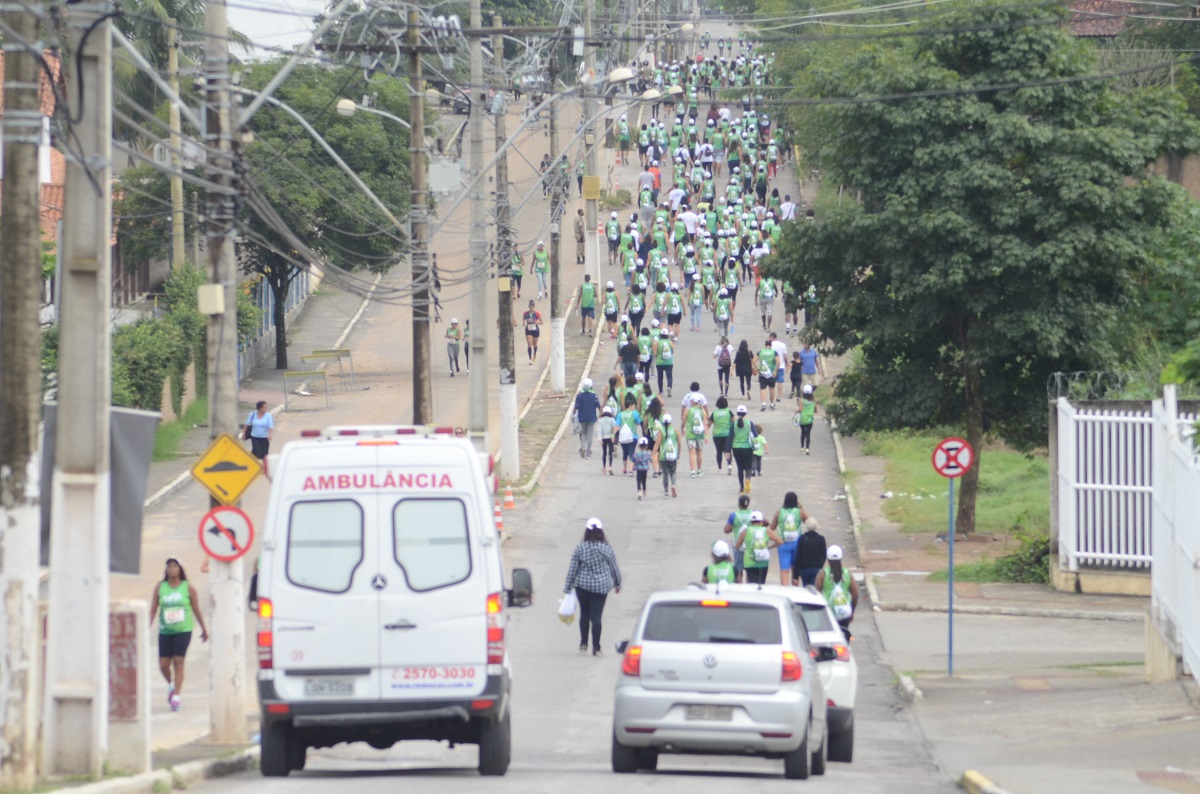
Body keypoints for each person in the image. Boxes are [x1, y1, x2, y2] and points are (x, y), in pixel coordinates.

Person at [150, 558, 208, 712]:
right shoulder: (160, 587)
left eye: (175, 566)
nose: (172, 569)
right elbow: (153, 609)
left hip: (183, 630)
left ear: (180, 569)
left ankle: (176, 695)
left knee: (179, 662)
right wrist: (146, 626)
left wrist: (203, 628)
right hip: (165, 630)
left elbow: (196, 609)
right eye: (169, 566)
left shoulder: (187, 588)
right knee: (163, 664)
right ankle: (170, 684)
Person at [563, 518, 622, 656]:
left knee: (584, 613)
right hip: (601, 588)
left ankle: (584, 643)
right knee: (596, 617)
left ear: (587, 531)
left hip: (582, 586)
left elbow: (573, 569)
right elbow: (614, 568)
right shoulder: (606, 549)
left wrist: (567, 587)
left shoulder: (580, 548)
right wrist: (618, 583)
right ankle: (597, 648)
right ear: (601, 532)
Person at [815, 544, 859, 638]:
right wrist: (852, 610)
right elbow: (855, 595)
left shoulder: (822, 574)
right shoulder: (847, 574)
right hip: (844, 612)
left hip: (828, 612)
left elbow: (816, 594)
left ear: (828, 559)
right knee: (843, 637)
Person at [770, 492, 808, 586]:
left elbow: (772, 527)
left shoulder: (779, 512)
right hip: (797, 544)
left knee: (784, 568)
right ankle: (794, 587)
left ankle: (785, 588)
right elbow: (809, 523)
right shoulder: (799, 512)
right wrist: (802, 507)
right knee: (795, 568)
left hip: (783, 544)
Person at [736, 510, 781, 585]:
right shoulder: (766, 531)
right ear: (762, 521)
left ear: (751, 521)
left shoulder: (745, 531)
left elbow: (737, 546)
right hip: (763, 562)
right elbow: (780, 541)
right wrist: (769, 547)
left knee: (752, 584)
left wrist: (745, 548)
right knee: (761, 584)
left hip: (749, 562)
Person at [722, 494, 753, 583]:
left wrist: (733, 527)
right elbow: (765, 522)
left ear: (739, 504)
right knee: (749, 570)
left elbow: (726, 530)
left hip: (738, 546)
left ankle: (739, 587)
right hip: (750, 545)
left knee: (739, 570)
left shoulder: (733, 515)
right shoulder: (753, 514)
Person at [791, 517, 827, 587]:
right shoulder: (820, 539)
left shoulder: (802, 538)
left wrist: (795, 575)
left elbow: (797, 556)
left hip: (804, 569)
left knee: (806, 587)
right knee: (816, 588)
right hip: (817, 568)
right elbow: (824, 554)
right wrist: (821, 564)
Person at [572, 378, 601, 460]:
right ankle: (588, 452)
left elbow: (575, 407)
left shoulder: (579, 395)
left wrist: (572, 415)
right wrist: (601, 415)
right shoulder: (594, 395)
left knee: (583, 433)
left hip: (582, 417)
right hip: (591, 417)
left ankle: (583, 448)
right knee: (590, 434)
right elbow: (598, 406)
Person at [614, 394, 642, 476]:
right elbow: (638, 422)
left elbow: (617, 425)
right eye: (634, 406)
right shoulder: (634, 414)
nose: (634, 407)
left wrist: (613, 435)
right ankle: (631, 470)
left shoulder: (620, 414)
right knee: (631, 453)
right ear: (630, 406)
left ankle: (625, 468)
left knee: (625, 453)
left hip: (623, 437)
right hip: (633, 436)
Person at [731, 404, 756, 493]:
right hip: (747, 448)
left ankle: (741, 488)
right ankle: (748, 479)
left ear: (737, 413)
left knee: (740, 468)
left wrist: (727, 450)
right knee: (748, 467)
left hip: (736, 448)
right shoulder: (750, 423)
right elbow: (755, 435)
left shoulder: (734, 424)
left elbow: (730, 437)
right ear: (745, 413)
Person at [656, 412, 681, 498]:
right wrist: (678, 453)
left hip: (663, 455)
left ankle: (666, 492)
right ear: (671, 422)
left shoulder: (661, 431)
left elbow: (657, 443)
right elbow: (679, 443)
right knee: (673, 472)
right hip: (672, 455)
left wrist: (653, 453)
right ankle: (673, 485)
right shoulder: (675, 430)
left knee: (665, 474)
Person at [683, 397, 707, 478]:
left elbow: (684, 421)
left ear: (693, 402)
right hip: (700, 434)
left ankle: (692, 471)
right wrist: (706, 435)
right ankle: (699, 470)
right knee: (699, 452)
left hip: (690, 434)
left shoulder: (688, 410)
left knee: (692, 453)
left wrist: (682, 428)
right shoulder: (702, 411)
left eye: (691, 400)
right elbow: (705, 424)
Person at [709, 395, 733, 474]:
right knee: (727, 450)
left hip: (717, 435)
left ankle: (719, 468)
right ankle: (729, 464)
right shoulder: (729, 412)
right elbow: (733, 422)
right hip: (727, 434)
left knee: (719, 451)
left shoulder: (714, 413)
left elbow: (709, 424)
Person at [754, 338, 778, 410]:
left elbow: (753, 360)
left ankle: (763, 403)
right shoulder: (774, 352)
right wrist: (775, 371)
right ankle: (772, 403)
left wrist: (757, 369)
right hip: (771, 373)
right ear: (771, 345)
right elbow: (778, 362)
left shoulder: (761, 352)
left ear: (765, 345)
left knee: (763, 388)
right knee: (772, 388)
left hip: (763, 372)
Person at [796, 383, 817, 454]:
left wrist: (797, 411)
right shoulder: (813, 401)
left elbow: (801, 409)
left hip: (802, 420)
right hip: (810, 420)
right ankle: (807, 449)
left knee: (803, 433)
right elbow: (816, 410)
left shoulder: (802, 400)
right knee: (808, 434)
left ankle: (802, 447)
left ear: (803, 392)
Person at [653, 328, 675, 396]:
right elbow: (672, 351)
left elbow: (655, 353)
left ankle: (661, 390)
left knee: (660, 376)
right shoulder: (670, 342)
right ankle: (669, 387)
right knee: (669, 376)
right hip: (669, 362)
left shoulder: (657, 342)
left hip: (659, 362)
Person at [598, 406, 617, 475]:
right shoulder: (612, 419)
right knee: (610, 453)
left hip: (603, 438)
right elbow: (615, 428)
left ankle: (604, 467)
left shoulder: (600, 420)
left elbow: (599, 430)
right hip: (610, 437)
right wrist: (613, 436)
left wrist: (599, 438)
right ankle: (610, 467)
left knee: (604, 453)